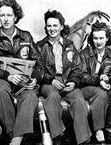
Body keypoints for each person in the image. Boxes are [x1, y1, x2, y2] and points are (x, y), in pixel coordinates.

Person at [0, 0, 41, 145]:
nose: (6, 19)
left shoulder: (26, 36)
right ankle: (11, 134)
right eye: (2, 15)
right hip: (3, 81)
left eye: (9, 15)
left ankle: (17, 138)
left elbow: (39, 63)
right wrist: (7, 76)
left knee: (31, 93)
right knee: (1, 89)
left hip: (23, 84)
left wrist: (34, 78)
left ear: (16, 17)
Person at [32, 10, 92, 145]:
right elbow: (37, 69)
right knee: (53, 97)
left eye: (55, 25)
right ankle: (57, 137)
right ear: (46, 27)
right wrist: (50, 80)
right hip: (49, 84)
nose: (52, 29)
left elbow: (77, 68)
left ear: (61, 26)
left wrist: (74, 82)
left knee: (79, 100)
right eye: (49, 26)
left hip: (67, 82)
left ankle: (83, 140)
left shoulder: (70, 45)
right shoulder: (40, 46)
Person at [79, 20, 111, 144]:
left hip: (103, 86)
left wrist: (108, 80)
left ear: (107, 38)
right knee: (100, 94)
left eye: (101, 38)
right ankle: (99, 130)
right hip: (86, 88)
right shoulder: (84, 54)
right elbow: (81, 75)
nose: (98, 41)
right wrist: (98, 81)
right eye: (95, 38)